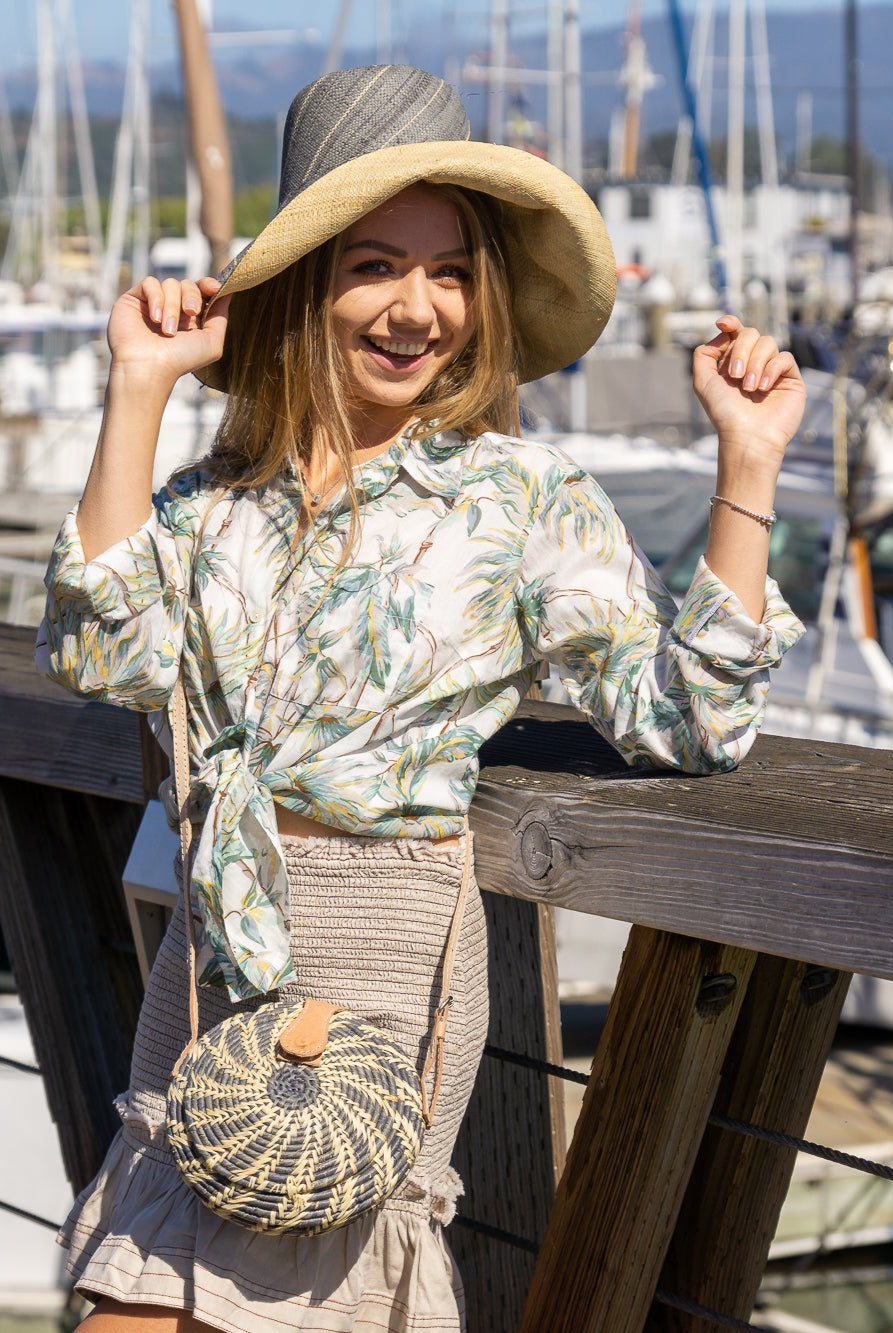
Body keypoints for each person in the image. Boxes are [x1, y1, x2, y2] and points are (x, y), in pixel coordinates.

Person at [37, 64, 805, 1333]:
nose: (418, 309)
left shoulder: (517, 497)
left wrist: (749, 466)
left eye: (450, 271)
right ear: (303, 285)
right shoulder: (215, 500)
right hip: (210, 951)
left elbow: (691, 718)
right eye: (374, 266)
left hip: (386, 955)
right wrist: (136, 384)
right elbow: (98, 652)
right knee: (134, 1295)